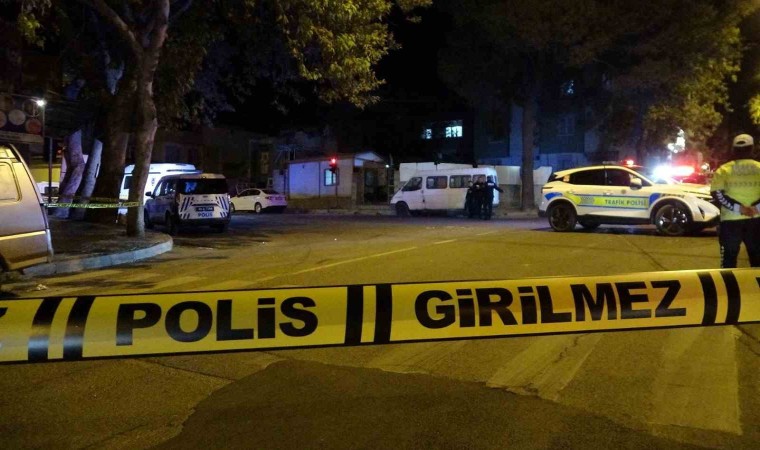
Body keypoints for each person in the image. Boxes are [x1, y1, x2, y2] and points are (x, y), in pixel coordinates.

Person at [710, 134, 760, 268]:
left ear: (734, 149)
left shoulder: (724, 170)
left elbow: (717, 194)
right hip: (756, 220)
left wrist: (739, 208)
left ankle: (729, 283)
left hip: (730, 221)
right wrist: (756, 208)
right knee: (757, 260)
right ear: (752, 149)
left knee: (728, 262)